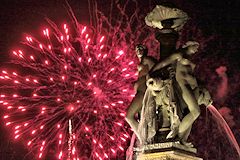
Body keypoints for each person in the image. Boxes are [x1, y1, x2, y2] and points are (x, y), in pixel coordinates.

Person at [125, 44, 157, 141]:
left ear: (146, 50)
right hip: (140, 92)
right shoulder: (141, 63)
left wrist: (150, 78)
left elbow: (157, 66)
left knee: (129, 116)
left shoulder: (147, 60)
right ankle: (145, 139)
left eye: (141, 48)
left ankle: (143, 140)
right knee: (141, 119)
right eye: (137, 48)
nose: (138, 50)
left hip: (143, 92)